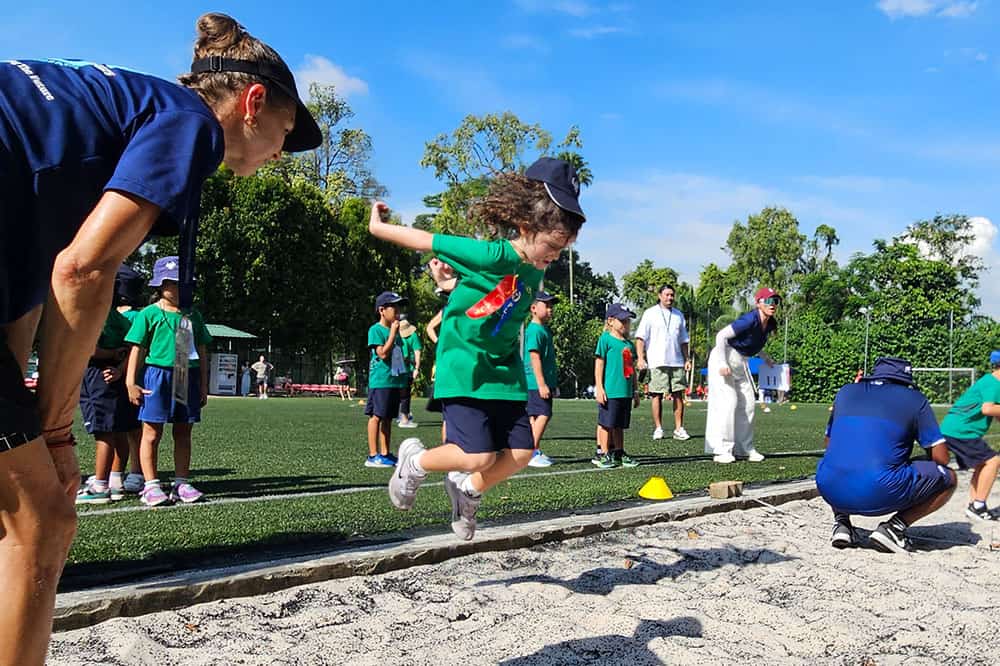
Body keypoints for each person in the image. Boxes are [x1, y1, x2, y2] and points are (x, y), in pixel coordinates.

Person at [0, 12, 319, 662]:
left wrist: (26, 423)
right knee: (43, 526)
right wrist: (57, 432)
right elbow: (84, 269)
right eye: (284, 134)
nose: (279, 154)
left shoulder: (107, 113)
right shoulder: (189, 123)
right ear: (253, 104)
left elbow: (33, 283)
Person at [379, 157, 586, 540]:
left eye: (562, 251)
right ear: (526, 227)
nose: (554, 258)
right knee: (477, 456)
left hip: (503, 373)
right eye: (552, 247)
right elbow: (426, 240)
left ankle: (468, 490)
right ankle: (415, 461)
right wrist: (378, 225)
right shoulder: (492, 256)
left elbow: (491, 301)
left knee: (522, 453)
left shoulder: (535, 268)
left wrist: (451, 288)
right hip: (465, 368)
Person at [816, 357, 956, 553]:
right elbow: (942, 459)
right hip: (880, 489)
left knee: (840, 460)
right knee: (949, 477)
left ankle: (842, 523)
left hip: (829, 487)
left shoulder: (846, 391)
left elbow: (829, 444)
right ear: (905, 380)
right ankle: (894, 529)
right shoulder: (915, 399)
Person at [125, 257, 213, 507]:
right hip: (157, 375)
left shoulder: (193, 315)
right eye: (172, 283)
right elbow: (137, 349)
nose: (178, 289)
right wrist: (131, 382)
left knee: (183, 431)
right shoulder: (149, 314)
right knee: (151, 432)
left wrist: (203, 385)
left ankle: (181, 482)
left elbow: (202, 349)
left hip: (186, 374)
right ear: (160, 285)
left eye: (183, 284)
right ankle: (151, 485)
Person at [74, 294, 138, 504]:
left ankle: (100, 484)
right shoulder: (121, 318)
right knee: (117, 428)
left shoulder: (97, 316)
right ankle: (115, 480)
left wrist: (110, 354)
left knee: (103, 432)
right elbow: (132, 348)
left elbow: (90, 349)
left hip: (97, 375)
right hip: (112, 374)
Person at [705, 287, 780, 463]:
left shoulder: (769, 323)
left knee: (748, 404)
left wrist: (765, 357)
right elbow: (721, 336)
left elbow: (754, 343)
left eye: (775, 301)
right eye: (768, 301)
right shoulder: (749, 319)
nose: (773, 305)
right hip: (724, 356)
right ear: (758, 303)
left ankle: (744, 448)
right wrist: (723, 363)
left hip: (741, 361)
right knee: (728, 403)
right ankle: (722, 450)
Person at [939, 351, 1000, 521]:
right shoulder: (994, 383)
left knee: (982, 464)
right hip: (961, 431)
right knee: (993, 461)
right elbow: (987, 409)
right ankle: (978, 506)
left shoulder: (990, 381)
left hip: (955, 429)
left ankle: (975, 505)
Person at [635, 285, 692, 441]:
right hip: (656, 361)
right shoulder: (650, 313)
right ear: (660, 295)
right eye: (667, 295)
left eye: (672, 295)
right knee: (656, 395)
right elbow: (640, 338)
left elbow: (684, 340)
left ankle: (679, 428)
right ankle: (658, 428)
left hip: (677, 361)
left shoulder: (679, 315)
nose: (670, 298)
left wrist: (687, 359)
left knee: (678, 395)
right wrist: (641, 358)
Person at [111, 264, 147, 496]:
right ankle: (120, 473)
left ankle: (134, 472)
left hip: (130, 378)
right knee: (122, 428)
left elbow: (135, 350)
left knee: (131, 429)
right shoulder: (119, 315)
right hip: (119, 378)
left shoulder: (132, 317)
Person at [593, 304, 640, 469]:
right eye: (622, 320)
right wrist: (599, 387)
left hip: (625, 392)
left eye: (627, 320)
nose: (625, 324)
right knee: (607, 423)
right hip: (610, 391)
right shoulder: (605, 339)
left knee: (620, 424)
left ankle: (619, 452)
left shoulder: (629, 345)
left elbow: (631, 369)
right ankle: (604, 453)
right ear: (611, 321)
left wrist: (635, 390)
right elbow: (599, 364)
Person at [365, 291, 409, 468]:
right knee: (376, 416)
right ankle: (373, 455)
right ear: (382, 310)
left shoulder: (396, 331)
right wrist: (392, 333)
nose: (398, 310)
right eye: (394, 307)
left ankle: (385, 453)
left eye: (399, 306)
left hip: (393, 380)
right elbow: (382, 353)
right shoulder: (376, 330)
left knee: (388, 418)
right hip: (380, 381)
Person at [524, 291, 560, 467]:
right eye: (546, 305)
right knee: (544, 413)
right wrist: (541, 384)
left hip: (537, 382)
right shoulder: (535, 330)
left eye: (551, 305)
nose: (550, 309)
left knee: (535, 416)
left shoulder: (543, 329)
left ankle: (533, 449)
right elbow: (534, 357)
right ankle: (530, 452)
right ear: (533, 308)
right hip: (535, 382)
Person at [398, 314, 422, 428]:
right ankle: (404, 419)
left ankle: (402, 416)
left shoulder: (396, 335)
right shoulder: (414, 336)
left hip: (397, 369)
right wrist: (417, 369)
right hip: (407, 369)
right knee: (405, 395)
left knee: (400, 394)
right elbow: (417, 352)